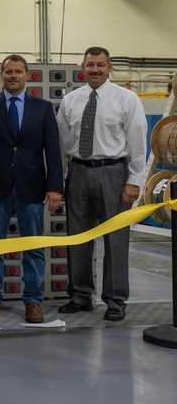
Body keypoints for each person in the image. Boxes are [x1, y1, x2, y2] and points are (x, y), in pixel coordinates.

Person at [56, 46, 146, 321]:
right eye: (90, 65)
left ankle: (116, 299)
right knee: (78, 238)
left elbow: (138, 142)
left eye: (100, 65)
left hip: (113, 174)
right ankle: (81, 295)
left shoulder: (127, 99)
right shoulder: (71, 100)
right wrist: (59, 182)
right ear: (82, 67)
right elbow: (61, 145)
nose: (94, 69)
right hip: (78, 172)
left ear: (110, 68)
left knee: (116, 239)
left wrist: (134, 180)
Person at [0, 54, 63, 324]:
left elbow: (53, 150)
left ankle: (33, 301)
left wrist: (55, 187)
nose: (13, 75)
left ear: (28, 75)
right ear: (1, 75)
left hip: (33, 187)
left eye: (18, 71)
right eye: (8, 71)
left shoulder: (43, 107)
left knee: (34, 246)